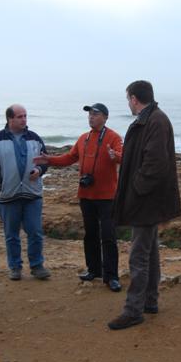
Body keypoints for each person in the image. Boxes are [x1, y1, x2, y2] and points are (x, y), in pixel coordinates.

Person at [108, 80, 181, 330]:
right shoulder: (150, 119)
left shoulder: (155, 121)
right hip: (148, 200)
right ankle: (150, 301)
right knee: (150, 252)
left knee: (139, 255)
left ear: (134, 99)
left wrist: (136, 188)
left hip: (147, 200)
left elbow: (155, 164)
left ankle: (133, 310)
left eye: (128, 98)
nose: (127, 103)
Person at [34, 103, 124, 292]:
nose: (91, 117)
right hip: (86, 194)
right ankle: (93, 270)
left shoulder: (113, 137)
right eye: (90, 114)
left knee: (108, 236)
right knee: (90, 235)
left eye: (95, 114)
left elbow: (124, 157)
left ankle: (111, 276)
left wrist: (114, 154)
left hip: (107, 196)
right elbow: (69, 158)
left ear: (105, 117)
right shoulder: (83, 138)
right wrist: (49, 159)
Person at [0, 104, 51, 281]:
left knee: (35, 232)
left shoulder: (35, 138)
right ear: (10, 119)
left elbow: (45, 161)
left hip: (32, 195)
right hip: (8, 195)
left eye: (25, 116)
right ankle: (15, 267)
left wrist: (39, 170)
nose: (24, 119)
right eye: (20, 116)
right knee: (11, 235)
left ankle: (37, 266)